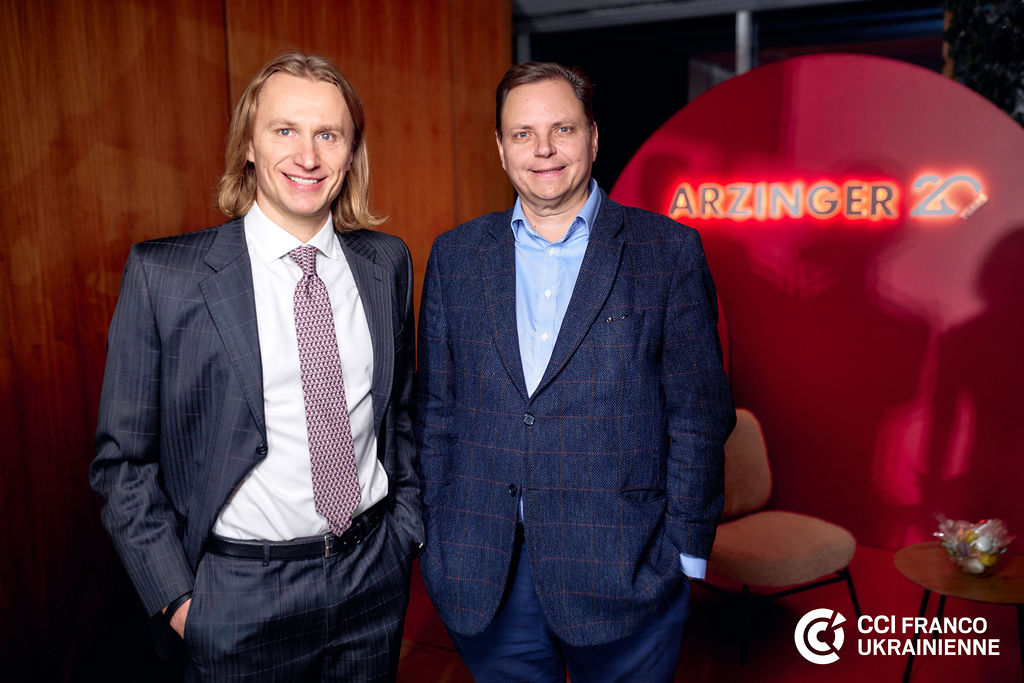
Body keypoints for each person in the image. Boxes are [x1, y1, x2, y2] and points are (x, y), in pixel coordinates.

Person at [90, 52, 423, 681]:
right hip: (238, 596)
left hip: (372, 578)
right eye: (284, 130)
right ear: (249, 144)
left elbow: (400, 411)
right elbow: (123, 463)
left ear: (351, 153)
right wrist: (180, 602)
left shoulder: (387, 264)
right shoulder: (167, 277)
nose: (307, 156)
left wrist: (403, 531)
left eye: (328, 135)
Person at [415, 61, 735, 681]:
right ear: (501, 147)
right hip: (485, 569)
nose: (543, 149)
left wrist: (685, 554)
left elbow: (699, 417)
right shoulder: (455, 255)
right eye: (522, 133)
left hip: (628, 569)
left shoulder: (666, 252)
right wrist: (438, 536)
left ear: (592, 137)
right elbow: (436, 413)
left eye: (561, 129)